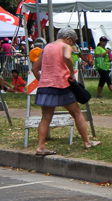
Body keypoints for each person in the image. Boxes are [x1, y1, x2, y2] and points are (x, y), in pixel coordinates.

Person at [31, 27, 101, 156]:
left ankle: (40, 147)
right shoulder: (65, 46)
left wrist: (43, 80)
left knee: (46, 117)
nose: (73, 45)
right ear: (68, 39)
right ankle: (87, 142)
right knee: (77, 113)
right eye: (73, 42)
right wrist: (71, 72)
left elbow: (35, 68)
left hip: (45, 87)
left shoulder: (46, 48)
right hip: (62, 85)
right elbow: (67, 57)